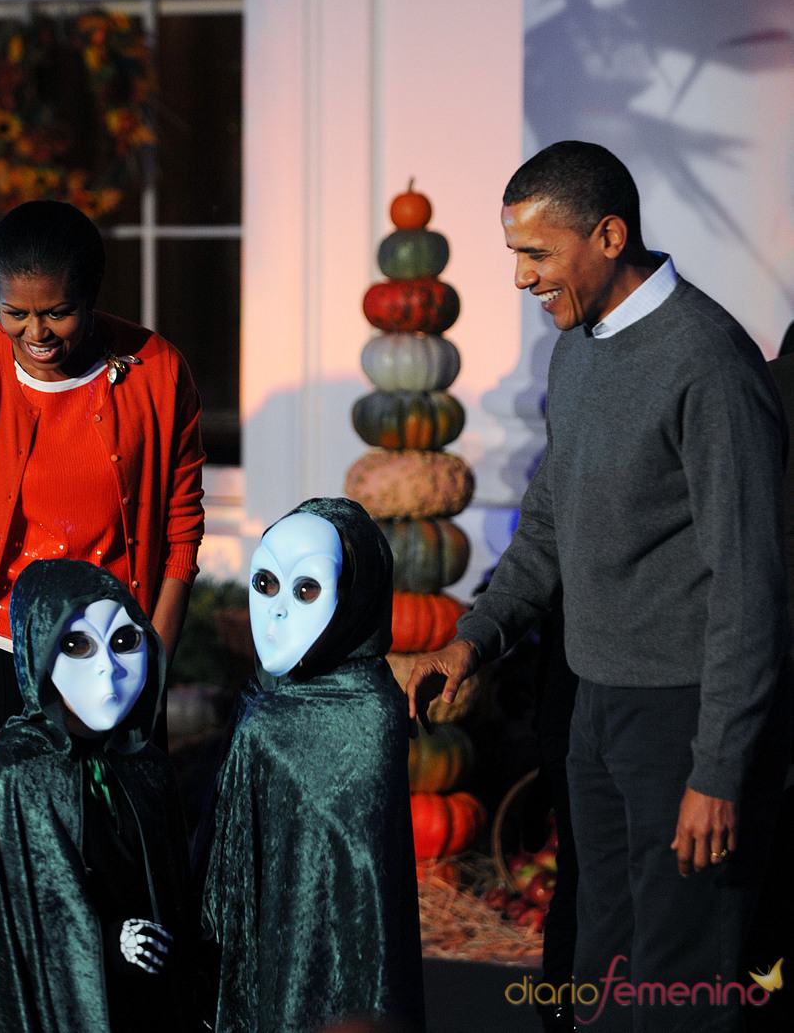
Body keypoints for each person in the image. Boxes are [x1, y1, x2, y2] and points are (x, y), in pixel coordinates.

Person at [406, 141, 790, 1030]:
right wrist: (475, 636)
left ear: (609, 235)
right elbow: (546, 524)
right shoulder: (576, 350)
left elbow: (750, 588)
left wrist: (720, 768)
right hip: (598, 710)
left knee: (679, 990)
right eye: (515, 256)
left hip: (689, 719)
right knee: (599, 973)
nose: (520, 279)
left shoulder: (711, 364)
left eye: (535, 255)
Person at [0, 199, 204, 832]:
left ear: (91, 299)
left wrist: (150, 678)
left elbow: (179, 540)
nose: (37, 333)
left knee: (112, 885)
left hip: (113, 667)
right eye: (16, 313)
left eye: (58, 313)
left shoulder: (159, 373)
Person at [0, 558, 195, 1032]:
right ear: (39, 648)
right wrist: (108, 940)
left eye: (124, 641)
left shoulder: (147, 769)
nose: (108, 670)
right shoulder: (14, 781)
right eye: (76, 645)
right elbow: (0, 931)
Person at [199, 497, 425, 1033]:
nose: (277, 612)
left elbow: (357, 898)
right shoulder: (261, 698)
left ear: (354, 595)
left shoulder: (369, 714)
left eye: (305, 589)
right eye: (265, 585)